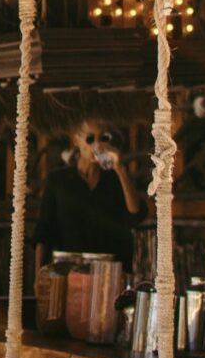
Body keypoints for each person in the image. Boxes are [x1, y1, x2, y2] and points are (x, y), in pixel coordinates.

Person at [34, 113, 141, 270]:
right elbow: (44, 231)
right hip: (70, 269)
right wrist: (39, 275)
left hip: (109, 270)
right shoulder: (58, 180)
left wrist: (119, 169)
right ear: (77, 140)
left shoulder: (115, 179)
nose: (97, 145)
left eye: (103, 138)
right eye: (90, 139)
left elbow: (135, 214)